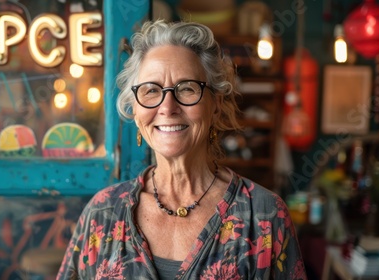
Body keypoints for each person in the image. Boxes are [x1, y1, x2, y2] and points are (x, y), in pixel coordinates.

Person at [57, 20, 307, 279]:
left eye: (187, 88)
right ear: (135, 109)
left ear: (216, 104)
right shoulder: (102, 214)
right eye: (151, 90)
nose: (167, 107)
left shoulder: (265, 217)